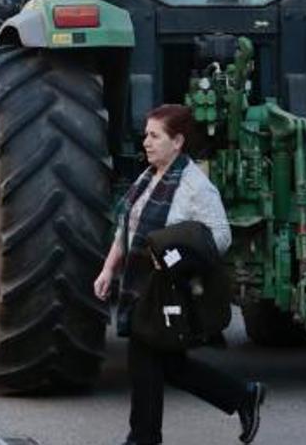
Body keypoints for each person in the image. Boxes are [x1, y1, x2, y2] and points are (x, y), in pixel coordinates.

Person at [94, 104, 265, 445]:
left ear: (178, 142)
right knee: (167, 364)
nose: (147, 142)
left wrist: (177, 256)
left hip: (166, 289)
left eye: (155, 136)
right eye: (146, 135)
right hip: (138, 285)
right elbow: (126, 228)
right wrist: (108, 268)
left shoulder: (195, 186)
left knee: (144, 361)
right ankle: (242, 396)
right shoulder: (148, 177)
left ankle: (143, 438)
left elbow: (219, 236)